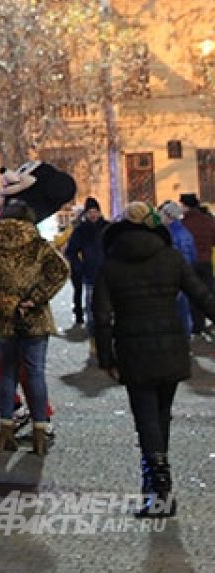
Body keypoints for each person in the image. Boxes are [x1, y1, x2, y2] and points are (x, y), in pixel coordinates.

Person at [93, 201, 215, 518]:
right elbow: (202, 296)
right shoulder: (170, 258)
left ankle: (158, 489)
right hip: (171, 346)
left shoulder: (110, 264)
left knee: (146, 417)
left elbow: (101, 317)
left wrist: (106, 357)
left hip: (133, 352)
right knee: (161, 414)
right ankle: (158, 480)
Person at [0, 200, 69, 456]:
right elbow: (60, 271)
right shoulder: (38, 245)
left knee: (7, 373)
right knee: (35, 373)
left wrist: (8, 304)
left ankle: (6, 431)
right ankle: (39, 431)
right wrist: (33, 300)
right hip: (34, 318)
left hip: (3, 321)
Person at [64, 196, 109, 356]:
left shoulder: (107, 227)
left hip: (108, 274)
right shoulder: (81, 230)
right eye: (90, 212)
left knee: (108, 309)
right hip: (90, 274)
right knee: (91, 309)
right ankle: (94, 340)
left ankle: (107, 339)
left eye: (95, 211)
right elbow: (71, 251)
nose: (93, 215)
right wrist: (79, 267)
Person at [178, 193, 215, 336]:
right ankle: (209, 321)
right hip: (206, 261)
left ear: (186, 206)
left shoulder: (184, 224)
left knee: (193, 295)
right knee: (207, 293)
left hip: (190, 263)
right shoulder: (208, 221)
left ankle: (197, 325)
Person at [159, 201, 198, 336]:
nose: (160, 217)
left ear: (169, 216)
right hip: (184, 277)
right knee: (183, 310)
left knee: (173, 312)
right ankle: (185, 339)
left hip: (172, 278)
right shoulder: (185, 233)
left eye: (162, 214)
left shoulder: (169, 236)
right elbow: (193, 256)